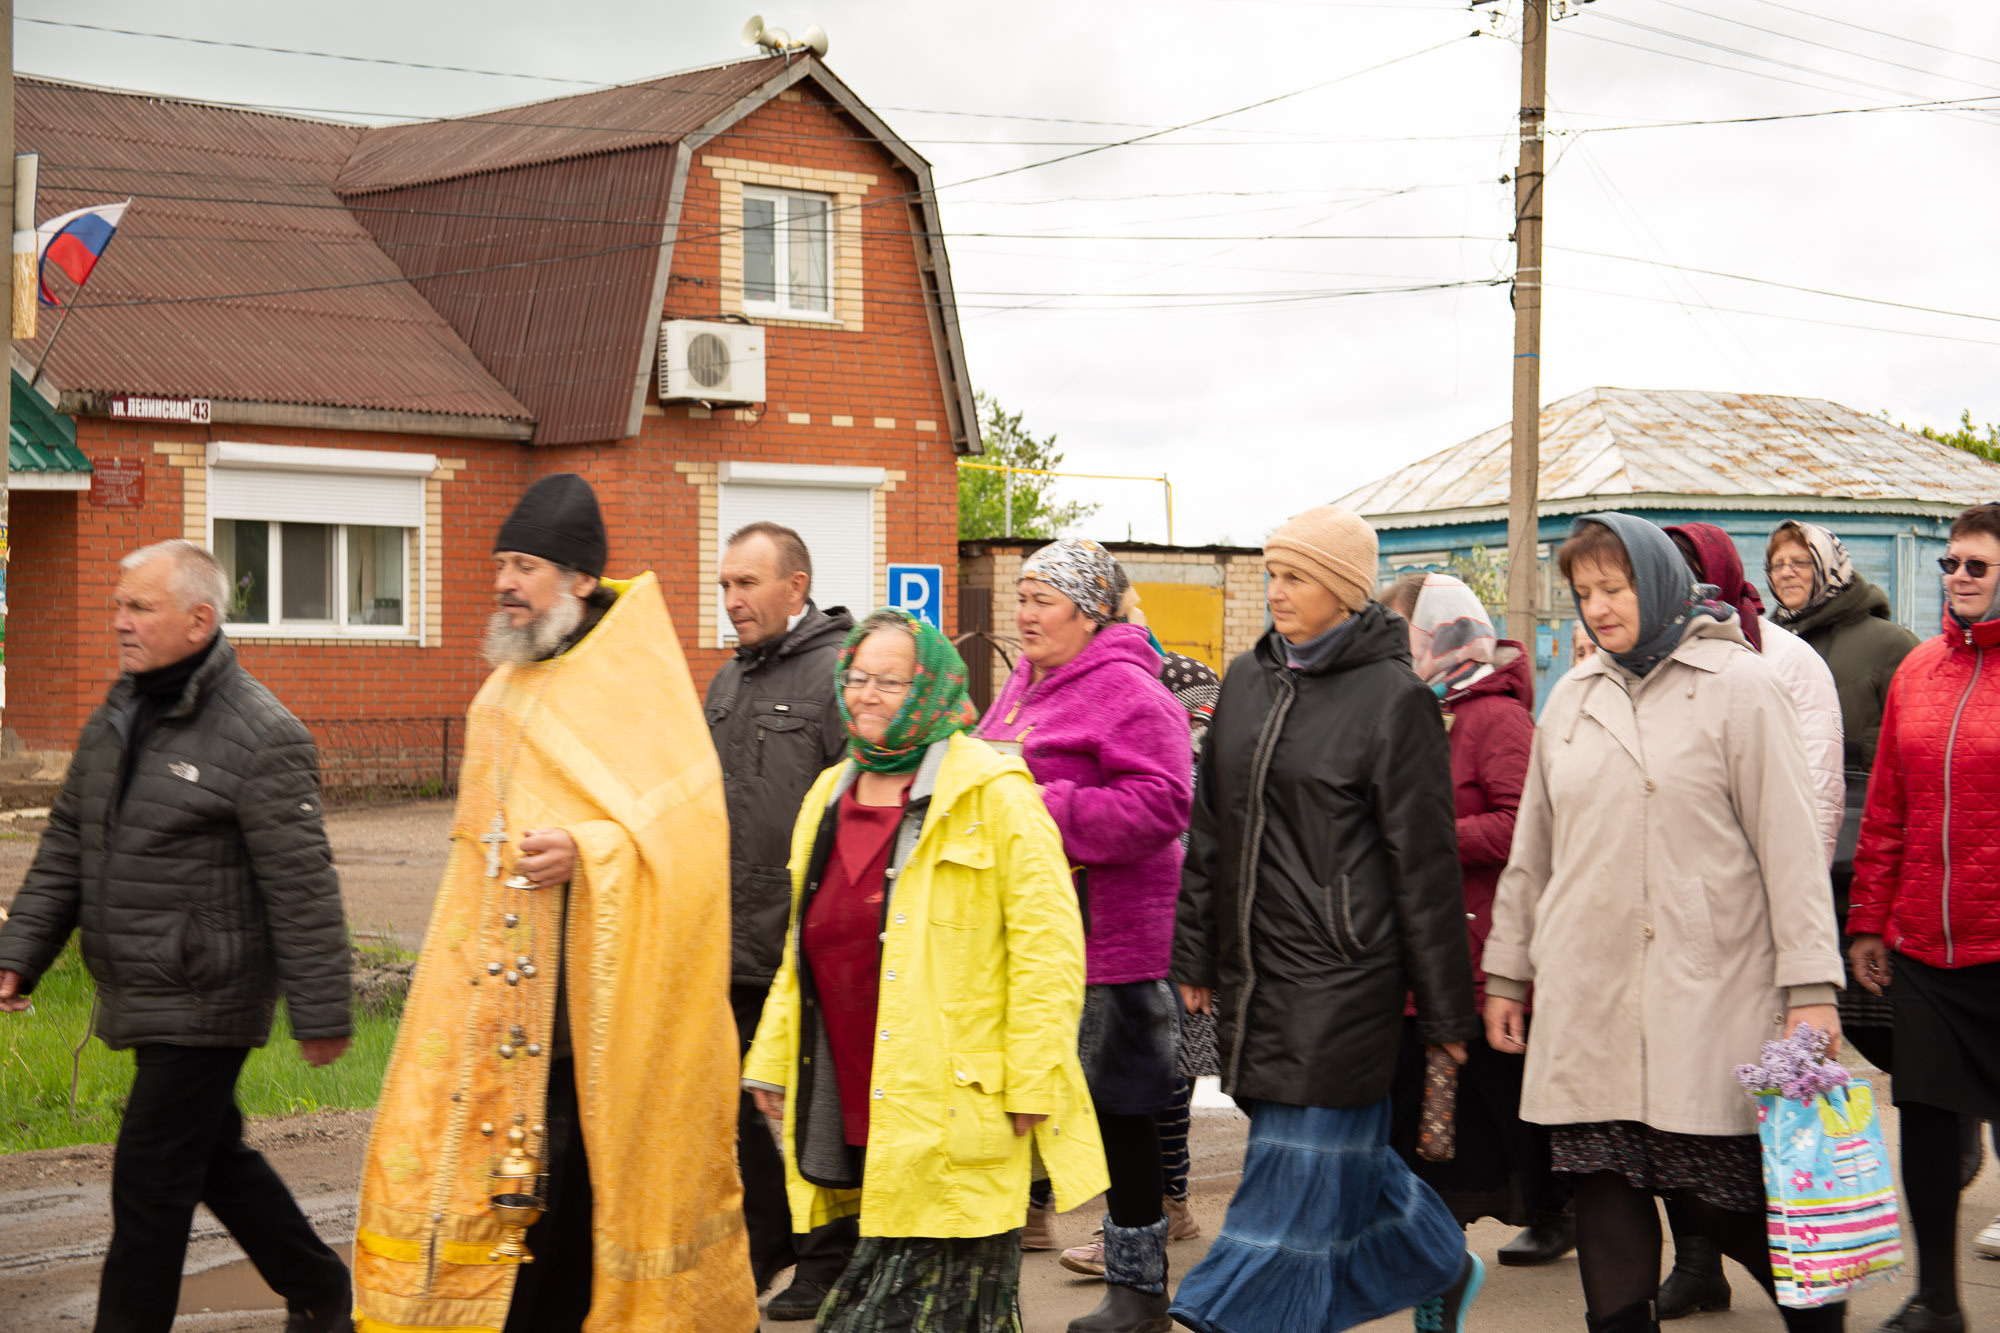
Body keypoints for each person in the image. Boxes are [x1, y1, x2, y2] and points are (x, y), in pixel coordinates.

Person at [352, 475, 757, 1333]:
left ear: (578, 578)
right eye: (500, 562)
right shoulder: (505, 684)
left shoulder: (635, 685)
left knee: (575, 1218)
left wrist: (593, 851)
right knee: (513, 1226)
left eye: (525, 564)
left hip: (602, 1027)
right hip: (502, 1023)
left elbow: (690, 844)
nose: (505, 581)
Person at [1482, 512, 1847, 1333]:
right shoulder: (1571, 696)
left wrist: (1812, 989)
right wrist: (1507, 969)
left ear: (1657, 581)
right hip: (1591, 993)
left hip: (1709, 988)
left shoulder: (1743, 687)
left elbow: (1791, 850)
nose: (1598, 607)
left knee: (1723, 1205)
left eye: (1614, 587)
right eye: (1583, 593)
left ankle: (1821, 1317)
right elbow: (1532, 850)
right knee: (1605, 1191)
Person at [0, 538, 354, 1333]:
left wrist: (322, 1009)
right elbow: (67, 841)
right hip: (143, 983)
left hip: (207, 989)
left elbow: (302, 882)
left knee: (150, 1182)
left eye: (139, 607)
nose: (119, 622)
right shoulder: (119, 713)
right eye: (118, 606)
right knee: (215, 1159)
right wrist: (20, 953)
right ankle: (322, 1287)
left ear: (199, 620)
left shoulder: (263, 733)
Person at [741, 608, 1109, 1332]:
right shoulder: (829, 794)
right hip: (851, 1102)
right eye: (856, 678)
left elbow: (1049, 950)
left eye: (889, 680)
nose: (866, 695)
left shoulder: (996, 794)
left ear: (933, 687)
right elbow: (801, 952)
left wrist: (1034, 1073)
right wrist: (774, 1058)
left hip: (955, 1108)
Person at [1171, 507, 1483, 1333]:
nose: (1275, 591)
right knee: (1332, 1165)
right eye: (1271, 572)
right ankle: (1439, 1265)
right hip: (1253, 971)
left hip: (1345, 978)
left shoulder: (1395, 699)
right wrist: (1195, 953)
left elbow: (1425, 866)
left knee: (1290, 1189)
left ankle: (1225, 1314)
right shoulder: (1246, 678)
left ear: (1344, 591)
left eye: (1295, 575)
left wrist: (1447, 1014)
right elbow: (1212, 826)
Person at [978, 538, 1192, 1333]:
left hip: (1112, 947)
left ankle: (1139, 1291)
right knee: (1020, 1108)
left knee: (1118, 1114)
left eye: (1041, 598)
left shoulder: (1134, 692)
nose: (1024, 612)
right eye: (1022, 596)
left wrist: (1040, 807)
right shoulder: (1022, 685)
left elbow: (1164, 804)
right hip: (1031, 940)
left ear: (1091, 609)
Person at [1650, 522, 1848, 1317]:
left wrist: (1787, 942)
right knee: (1672, 1119)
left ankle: (1810, 1283)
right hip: (1672, 935)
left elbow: (1817, 802)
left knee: (1755, 1120)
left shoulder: (1787, 661)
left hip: (1757, 936)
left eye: (1698, 574)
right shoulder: (1650, 664)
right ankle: (1698, 1264)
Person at [1378, 572, 1571, 1268]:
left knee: (1501, 1093)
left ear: (1439, 632)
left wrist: (1427, 836)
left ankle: (1554, 1205)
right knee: (1441, 1098)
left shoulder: (1496, 715)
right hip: (1429, 936)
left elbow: (1524, 824)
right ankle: (1436, 1227)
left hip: (1485, 939)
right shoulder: (1422, 705)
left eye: (1402, 633)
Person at [1846, 502, 2000, 1333]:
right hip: (1927, 949)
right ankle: (1937, 1296)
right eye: (1950, 564)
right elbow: (1888, 809)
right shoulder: (1919, 672)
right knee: (1930, 1128)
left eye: (1976, 564)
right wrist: (1869, 917)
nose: (1958, 578)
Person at [705, 520, 857, 1318]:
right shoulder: (727, 681)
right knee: (728, 1100)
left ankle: (827, 1261)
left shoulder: (839, 673)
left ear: (794, 587)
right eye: (726, 584)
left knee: (809, 1110)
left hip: (803, 942)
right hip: (729, 940)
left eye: (747, 584)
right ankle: (771, 1240)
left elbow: (856, 809)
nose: (732, 601)